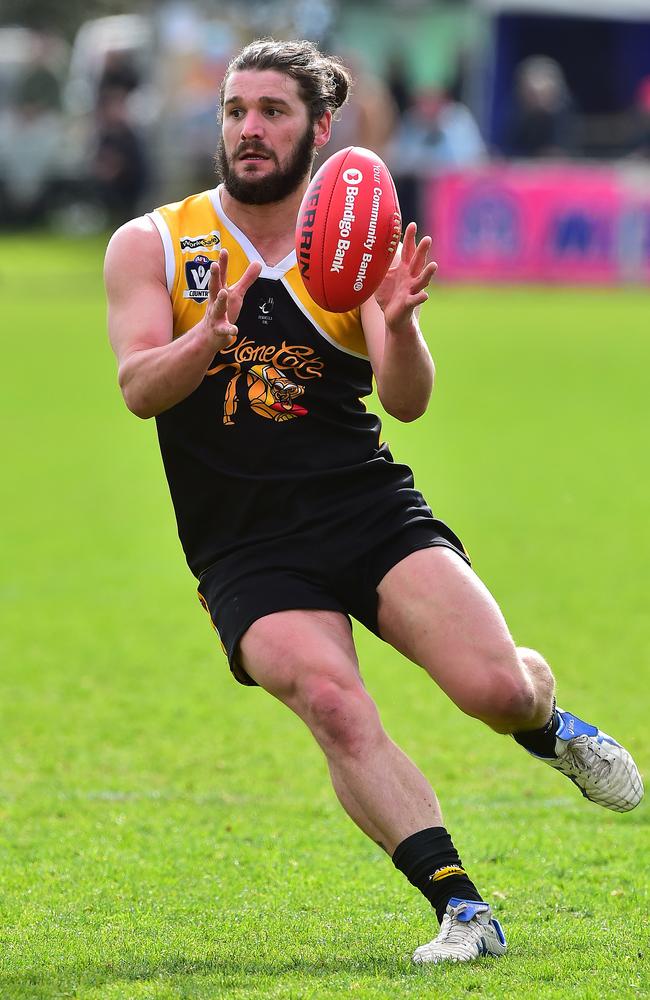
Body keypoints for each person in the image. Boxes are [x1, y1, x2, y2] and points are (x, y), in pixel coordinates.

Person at [104, 39, 643, 965]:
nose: (249, 130)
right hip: (244, 547)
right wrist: (211, 338)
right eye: (236, 111)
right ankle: (463, 910)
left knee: (497, 688)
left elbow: (407, 400)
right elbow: (140, 387)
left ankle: (549, 727)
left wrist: (399, 321)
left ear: (320, 128)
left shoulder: (351, 246)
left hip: (365, 509)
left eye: (272, 112)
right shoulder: (155, 243)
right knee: (335, 704)